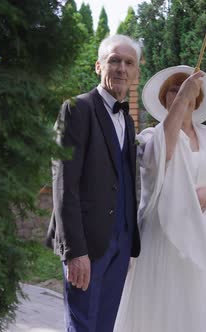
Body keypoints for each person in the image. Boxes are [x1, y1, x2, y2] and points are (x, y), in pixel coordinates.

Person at [113, 65, 206, 332]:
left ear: (198, 97)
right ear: (164, 98)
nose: (180, 93)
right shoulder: (150, 137)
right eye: (173, 89)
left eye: (184, 88)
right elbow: (164, 154)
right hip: (166, 241)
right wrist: (181, 99)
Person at [46, 34, 142, 332]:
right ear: (98, 66)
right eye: (114, 60)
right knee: (83, 325)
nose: (121, 68)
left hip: (121, 243)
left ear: (137, 72)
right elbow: (64, 185)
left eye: (129, 62)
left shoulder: (128, 120)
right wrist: (75, 251)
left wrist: (125, 243)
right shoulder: (77, 109)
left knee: (105, 325)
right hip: (87, 243)